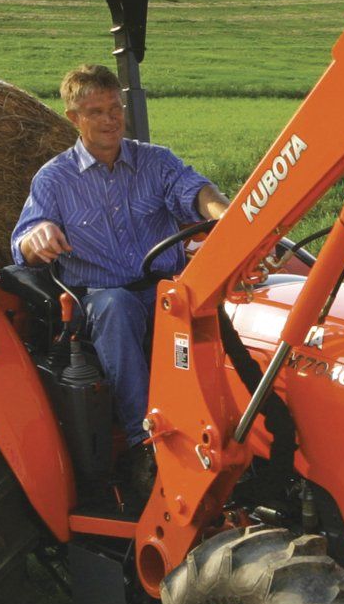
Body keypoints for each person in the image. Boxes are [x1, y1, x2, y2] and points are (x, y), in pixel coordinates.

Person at [12, 64, 228, 459]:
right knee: (117, 306)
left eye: (115, 108)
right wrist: (37, 236)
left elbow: (196, 191)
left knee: (222, 299)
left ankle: (229, 425)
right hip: (99, 297)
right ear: (73, 119)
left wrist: (224, 214)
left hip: (166, 288)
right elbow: (23, 244)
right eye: (96, 112)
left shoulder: (156, 161)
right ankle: (146, 441)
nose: (110, 120)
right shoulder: (54, 179)